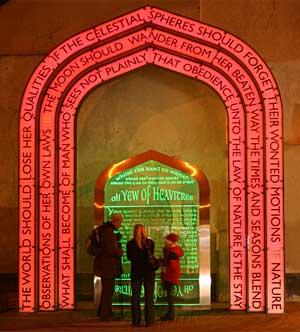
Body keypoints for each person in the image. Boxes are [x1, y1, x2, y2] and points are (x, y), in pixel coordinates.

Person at [93, 213, 123, 321]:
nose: (120, 225)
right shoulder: (108, 232)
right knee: (108, 291)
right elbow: (112, 250)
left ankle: (104, 312)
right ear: (115, 221)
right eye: (120, 222)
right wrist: (120, 251)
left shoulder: (104, 230)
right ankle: (106, 315)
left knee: (107, 290)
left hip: (104, 265)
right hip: (108, 266)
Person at [126, 224, 155, 327]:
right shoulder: (150, 243)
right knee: (149, 297)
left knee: (135, 297)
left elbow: (129, 257)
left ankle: (136, 321)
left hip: (136, 273)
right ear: (145, 231)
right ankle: (149, 321)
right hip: (149, 273)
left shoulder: (130, 244)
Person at [160, 233, 184, 321]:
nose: (165, 241)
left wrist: (164, 267)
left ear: (171, 241)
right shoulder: (172, 251)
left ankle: (170, 314)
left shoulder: (172, 252)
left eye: (167, 240)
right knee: (169, 296)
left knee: (169, 296)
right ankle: (170, 313)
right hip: (171, 276)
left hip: (169, 276)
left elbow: (172, 266)